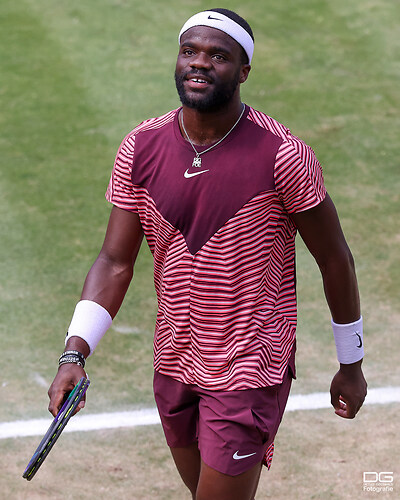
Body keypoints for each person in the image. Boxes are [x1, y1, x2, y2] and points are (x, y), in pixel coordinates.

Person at [48, 8, 367, 500]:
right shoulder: (140, 147)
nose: (199, 63)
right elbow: (115, 261)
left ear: (243, 72)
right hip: (174, 361)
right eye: (189, 51)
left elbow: (335, 259)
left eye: (218, 56)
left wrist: (352, 362)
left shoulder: (282, 154)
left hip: (250, 366)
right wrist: (75, 350)